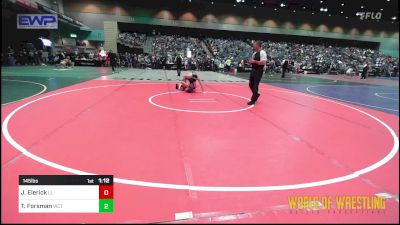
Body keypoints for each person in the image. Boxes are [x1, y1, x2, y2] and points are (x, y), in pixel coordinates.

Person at [248, 41, 267, 105]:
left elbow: (263, 62)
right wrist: (251, 62)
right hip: (253, 70)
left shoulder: (262, 53)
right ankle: (256, 94)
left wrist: (254, 61)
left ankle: (253, 100)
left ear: (258, 46)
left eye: (254, 45)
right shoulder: (254, 53)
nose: (253, 46)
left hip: (259, 70)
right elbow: (253, 61)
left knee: (255, 85)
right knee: (250, 84)